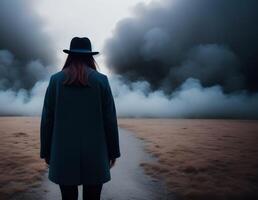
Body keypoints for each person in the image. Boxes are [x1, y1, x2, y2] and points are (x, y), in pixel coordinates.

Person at [40, 37, 121, 200]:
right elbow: (110, 120)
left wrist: (46, 152)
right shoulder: (101, 80)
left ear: (70, 56)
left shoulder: (55, 80)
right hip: (96, 155)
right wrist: (113, 152)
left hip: (63, 154)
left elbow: (47, 120)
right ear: (90, 56)